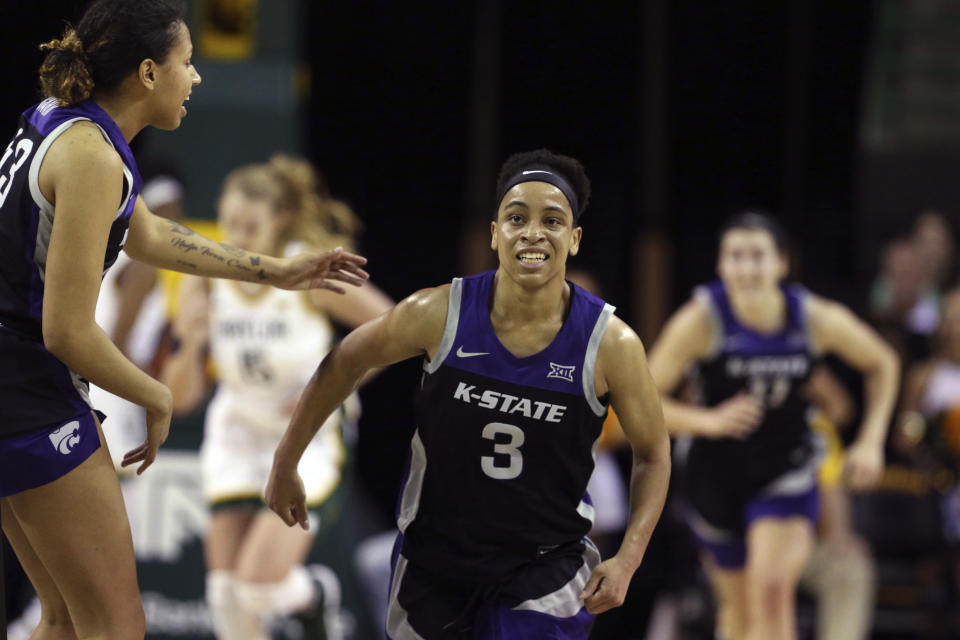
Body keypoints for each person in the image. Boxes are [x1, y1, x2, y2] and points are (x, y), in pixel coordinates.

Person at [0, 2, 368, 638]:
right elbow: (65, 330)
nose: (195, 78)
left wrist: (274, 271)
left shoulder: (61, 120)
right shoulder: (92, 155)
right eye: (187, 63)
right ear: (148, 73)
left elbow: (147, 234)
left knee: (61, 619)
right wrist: (156, 395)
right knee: (116, 625)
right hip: (27, 391)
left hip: (14, 384)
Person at [266, 149, 672, 639]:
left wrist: (628, 557)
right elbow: (345, 360)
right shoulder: (438, 312)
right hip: (435, 562)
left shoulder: (611, 343)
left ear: (575, 239)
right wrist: (286, 461)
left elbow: (653, 451)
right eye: (516, 218)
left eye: (552, 220)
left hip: (545, 565)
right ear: (494, 234)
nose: (533, 232)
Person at [161, 154, 393, 640]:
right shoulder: (205, 277)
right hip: (239, 430)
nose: (238, 236)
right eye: (230, 224)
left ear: (279, 221)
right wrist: (191, 344)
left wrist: (332, 387)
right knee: (225, 596)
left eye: (250, 225)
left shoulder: (306, 273)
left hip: (306, 434)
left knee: (259, 587)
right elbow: (181, 401)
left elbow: (392, 330)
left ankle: (315, 597)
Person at [647, 212, 898, 640]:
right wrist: (706, 420)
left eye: (757, 256)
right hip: (715, 476)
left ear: (781, 263)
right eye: (736, 257)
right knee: (740, 615)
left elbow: (883, 363)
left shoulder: (813, 317)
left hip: (786, 468)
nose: (746, 268)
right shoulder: (701, 320)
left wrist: (871, 441)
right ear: (721, 265)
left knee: (772, 591)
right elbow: (643, 399)